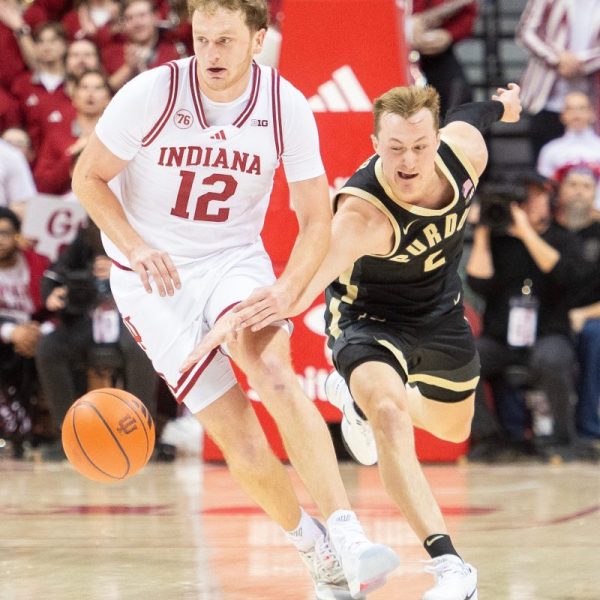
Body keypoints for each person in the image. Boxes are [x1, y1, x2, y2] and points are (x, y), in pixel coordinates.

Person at [71, 1, 399, 598]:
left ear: (257, 39)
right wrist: (136, 246)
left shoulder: (283, 104)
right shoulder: (152, 93)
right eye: (201, 39)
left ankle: (348, 531)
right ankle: (312, 545)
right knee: (238, 434)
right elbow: (87, 177)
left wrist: (286, 290)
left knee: (272, 370)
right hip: (151, 280)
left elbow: (315, 218)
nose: (211, 54)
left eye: (225, 40)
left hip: (230, 260)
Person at [185, 82, 523, 599]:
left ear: (437, 141)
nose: (408, 161)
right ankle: (451, 566)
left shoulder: (465, 155)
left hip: (441, 315)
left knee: (453, 429)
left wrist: (504, 105)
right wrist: (232, 317)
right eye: (394, 148)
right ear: (374, 143)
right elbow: (295, 291)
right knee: (389, 413)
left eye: (420, 146)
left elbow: (473, 114)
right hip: (369, 320)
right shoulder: (362, 217)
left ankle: (359, 408)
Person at [467, 176, 585, 462]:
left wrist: (525, 232)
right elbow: (478, 282)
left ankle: (562, 438)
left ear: (549, 200)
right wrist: (482, 230)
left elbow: (563, 274)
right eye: (524, 198)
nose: (529, 204)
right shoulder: (498, 241)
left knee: (552, 359)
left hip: (548, 333)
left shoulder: (564, 239)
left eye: (536, 196)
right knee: (466, 358)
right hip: (501, 337)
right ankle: (489, 437)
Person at [517, 0, 600, 161]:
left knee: (590, 163)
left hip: (590, 97)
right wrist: (557, 59)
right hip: (545, 97)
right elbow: (526, 32)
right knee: (545, 162)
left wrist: (581, 62)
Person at [554, 163, 600, 444]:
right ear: (560, 191)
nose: (579, 192)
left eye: (586, 186)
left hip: (591, 317)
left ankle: (588, 428)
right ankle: (517, 431)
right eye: (572, 185)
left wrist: (583, 314)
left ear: (594, 193)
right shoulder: (546, 229)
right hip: (549, 316)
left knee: (595, 338)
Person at [0, 206, 49, 457]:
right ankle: (11, 429)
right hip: (5, 332)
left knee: (53, 348)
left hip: (36, 331)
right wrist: (11, 332)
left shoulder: (39, 262)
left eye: (4, 233)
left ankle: (43, 430)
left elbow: (54, 306)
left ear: (18, 236)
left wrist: (37, 332)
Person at [537, 92, 600, 210]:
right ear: (562, 115)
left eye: (582, 108)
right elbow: (544, 189)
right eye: (570, 109)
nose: (576, 114)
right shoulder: (550, 150)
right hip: (562, 213)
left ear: (592, 113)